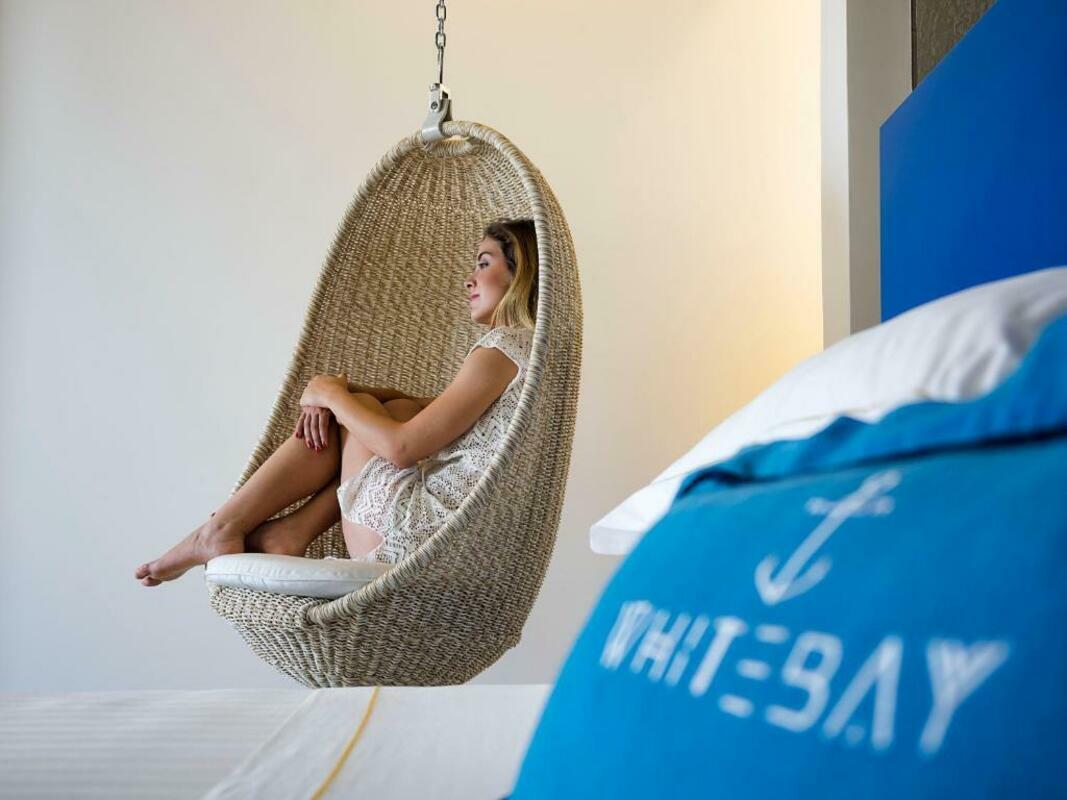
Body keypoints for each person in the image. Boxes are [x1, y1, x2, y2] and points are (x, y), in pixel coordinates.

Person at [134, 218, 538, 586]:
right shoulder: (526, 355)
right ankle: (286, 534)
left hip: (410, 539)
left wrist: (330, 394)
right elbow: (422, 409)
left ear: (520, 272)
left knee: (373, 417)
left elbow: (402, 448)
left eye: (484, 263)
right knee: (394, 411)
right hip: (443, 540)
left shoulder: (499, 350)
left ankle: (220, 529)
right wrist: (337, 391)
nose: (469, 279)